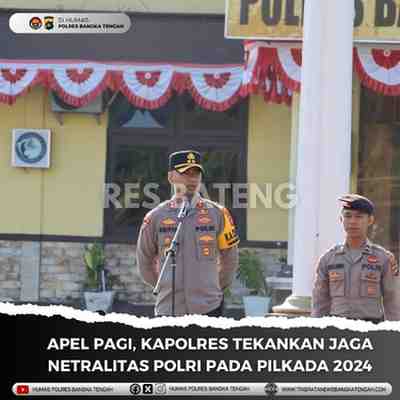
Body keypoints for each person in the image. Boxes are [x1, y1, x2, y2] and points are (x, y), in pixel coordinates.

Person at [137, 150, 240, 317]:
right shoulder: (155, 217)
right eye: (185, 173)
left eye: (196, 173)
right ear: (171, 177)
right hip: (168, 309)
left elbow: (230, 259)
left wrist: (212, 289)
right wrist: (165, 286)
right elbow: (144, 262)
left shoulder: (218, 213)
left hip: (209, 309)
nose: (192, 179)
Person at [312, 194, 400, 322]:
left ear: (370, 220)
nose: (353, 221)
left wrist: (394, 330)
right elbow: (320, 300)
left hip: (371, 327)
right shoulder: (328, 258)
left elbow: (392, 300)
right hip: (337, 326)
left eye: (359, 216)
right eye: (348, 216)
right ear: (341, 220)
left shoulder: (383, 258)